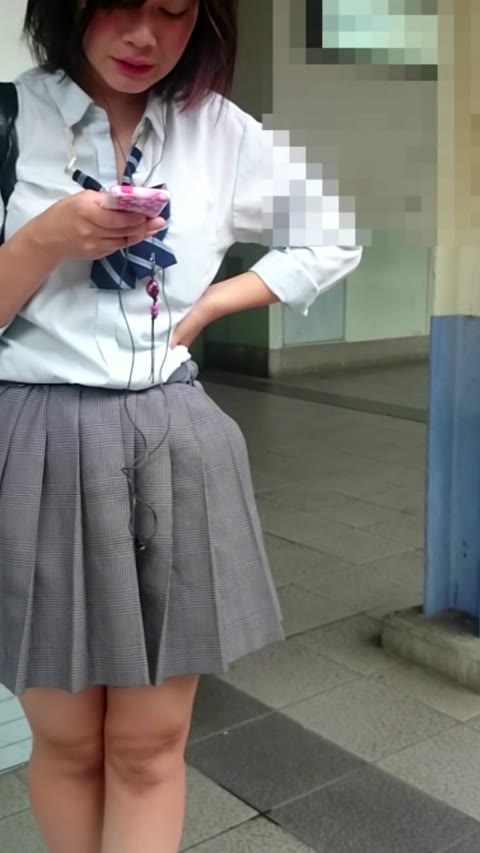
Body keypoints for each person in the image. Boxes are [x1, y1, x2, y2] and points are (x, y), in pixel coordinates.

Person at [0, 1, 362, 851]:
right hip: (35, 436)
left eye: (172, 11)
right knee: (66, 739)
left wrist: (209, 307)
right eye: (122, 5)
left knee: (149, 743)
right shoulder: (12, 118)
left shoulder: (220, 131)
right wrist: (47, 237)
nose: (146, 37)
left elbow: (334, 233)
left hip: (170, 433)